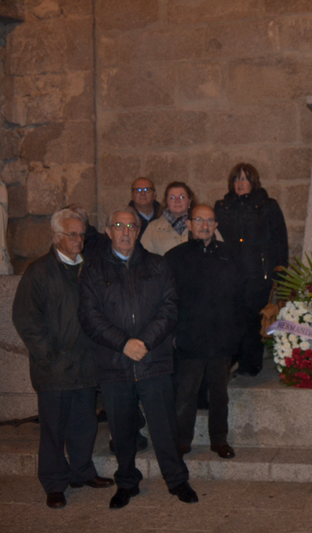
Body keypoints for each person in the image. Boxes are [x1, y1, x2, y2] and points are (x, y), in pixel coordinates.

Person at [78, 207, 198, 508]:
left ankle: (177, 480)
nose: (126, 231)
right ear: (109, 231)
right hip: (114, 362)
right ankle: (127, 482)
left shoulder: (158, 265)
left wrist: (143, 341)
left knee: (164, 426)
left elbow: (170, 307)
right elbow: (89, 316)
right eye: (118, 226)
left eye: (131, 226)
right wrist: (123, 344)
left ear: (138, 230)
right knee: (121, 430)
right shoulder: (93, 270)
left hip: (152, 358)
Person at [12, 208, 114, 509]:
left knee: (84, 425)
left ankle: (82, 472)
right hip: (55, 367)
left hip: (85, 365)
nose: (79, 240)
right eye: (73, 235)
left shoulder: (89, 268)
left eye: (82, 234)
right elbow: (26, 318)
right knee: (54, 429)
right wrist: (48, 355)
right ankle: (55, 483)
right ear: (57, 237)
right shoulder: (39, 271)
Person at [165, 204, 245, 460]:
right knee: (185, 394)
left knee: (219, 395)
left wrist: (236, 334)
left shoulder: (230, 254)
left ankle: (219, 440)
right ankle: (181, 441)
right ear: (188, 224)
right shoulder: (174, 257)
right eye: (198, 219)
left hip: (221, 339)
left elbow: (240, 297)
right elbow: (167, 300)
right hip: (189, 339)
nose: (204, 225)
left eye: (209, 220)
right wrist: (174, 334)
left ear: (216, 225)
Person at [214, 163, 288, 377]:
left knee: (254, 322)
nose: (240, 183)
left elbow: (279, 241)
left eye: (245, 179)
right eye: (237, 179)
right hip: (230, 276)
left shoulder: (268, 206)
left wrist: (279, 272)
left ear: (254, 182)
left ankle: (250, 366)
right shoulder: (222, 207)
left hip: (258, 276)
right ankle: (232, 362)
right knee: (233, 321)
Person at [140, 181, 194, 256]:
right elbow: (144, 258)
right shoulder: (153, 229)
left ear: (189, 201)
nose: (177, 201)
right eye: (172, 198)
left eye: (182, 197)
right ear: (166, 202)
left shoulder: (203, 224)